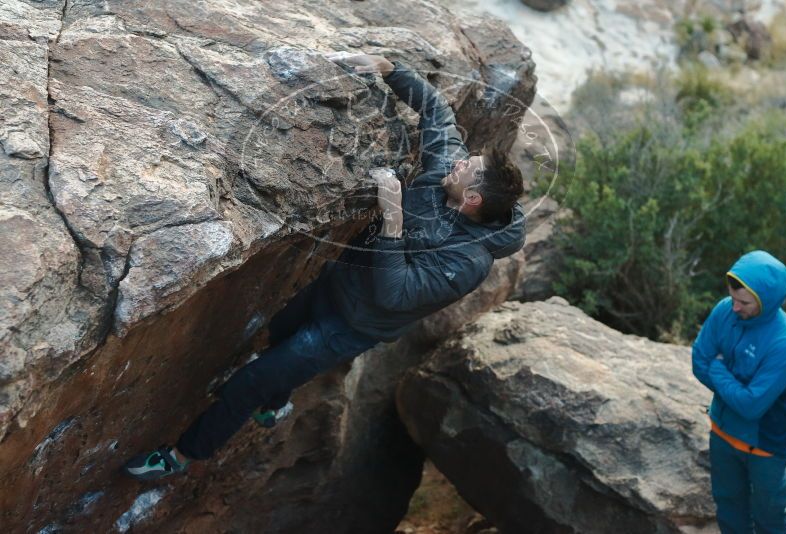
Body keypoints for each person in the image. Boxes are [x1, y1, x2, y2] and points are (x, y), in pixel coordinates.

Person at [123, 53, 527, 480]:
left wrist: (393, 220)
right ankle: (277, 402)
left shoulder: (467, 262)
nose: (461, 162)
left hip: (350, 326)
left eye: (469, 168)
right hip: (338, 280)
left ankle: (182, 457)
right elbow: (436, 113)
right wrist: (390, 70)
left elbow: (395, 294)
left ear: (473, 201)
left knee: (250, 381)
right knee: (278, 332)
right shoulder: (448, 176)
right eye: (468, 159)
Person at [692, 250, 786, 533]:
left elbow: (752, 405)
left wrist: (718, 369)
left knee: (770, 520)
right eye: (732, 297)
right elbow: (698, 362)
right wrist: (733, 386)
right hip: (722, 431)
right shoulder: (724, 310)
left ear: (768, 301)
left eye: (744, 302)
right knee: (728, 509)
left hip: (764, 445)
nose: (735, 307)